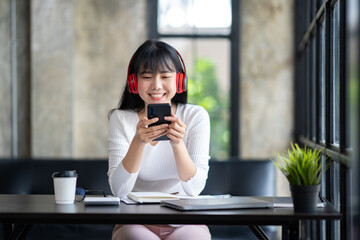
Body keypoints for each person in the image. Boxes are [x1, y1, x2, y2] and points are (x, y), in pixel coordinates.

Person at [108, 40, 211, 240]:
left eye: (165, 76)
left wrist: (177, 143)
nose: (156, 85)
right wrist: (138, 142)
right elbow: (119, 190)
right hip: (135, 220)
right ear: (133, 82)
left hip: (185, 219)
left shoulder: (196, 116)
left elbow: (195, 188)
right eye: (146, 77)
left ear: (179, 82)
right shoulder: (121, 119)